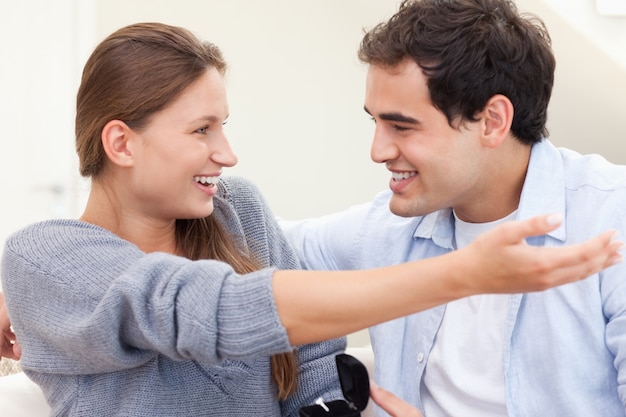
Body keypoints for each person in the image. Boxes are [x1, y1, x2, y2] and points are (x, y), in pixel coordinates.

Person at [0, 18, 621, 417]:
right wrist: (466, 274)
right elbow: (207, 305)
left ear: (492, 120)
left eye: (400, 125)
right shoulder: (45, 259)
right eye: (201, 129)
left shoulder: (236, 212)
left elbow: (293, 314)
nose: (227, 152)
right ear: (121, 143)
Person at [281, 0, 626, 416]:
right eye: (375, 122)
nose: (377, 151)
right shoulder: (387, 229)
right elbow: (257, 247)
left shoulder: (611, 220)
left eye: (402, 126)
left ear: (493, 121)